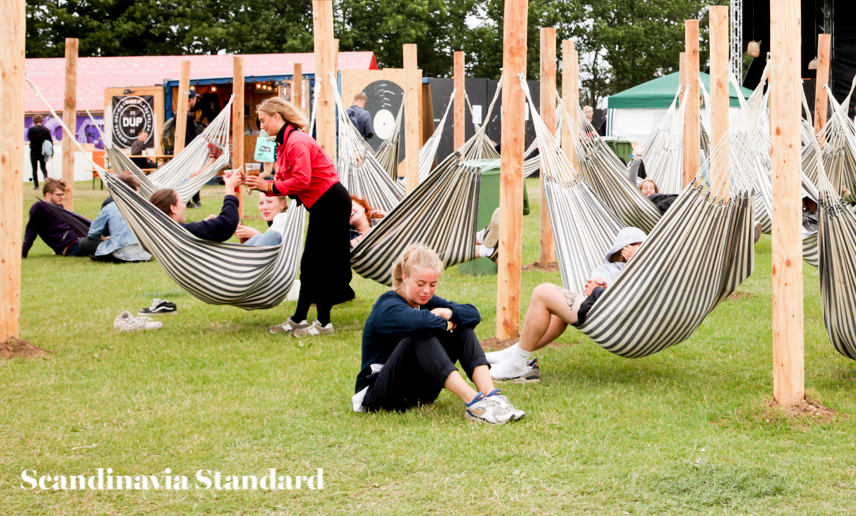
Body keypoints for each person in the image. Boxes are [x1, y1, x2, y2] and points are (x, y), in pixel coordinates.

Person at [352, 245, 524, 423]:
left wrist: (449, 315)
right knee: (419, 335)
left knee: (462, 328)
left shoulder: (426, 301)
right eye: (420, 284)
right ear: (405, 278)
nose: (427, 291)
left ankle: (493, 397)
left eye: (432, 284)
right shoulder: (387, 306)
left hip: (419, 393)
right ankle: (475, 403)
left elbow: (472, 314)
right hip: (379, 395)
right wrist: (447, 323)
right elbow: (421, 323)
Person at [244, 97, 353, 338]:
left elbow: (301, 181)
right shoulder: (284, 143)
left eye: (263, 121)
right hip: (322, 205)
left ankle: (323, 323)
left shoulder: (296, 142)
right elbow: (288, 182)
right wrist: (262, 184)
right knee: (310, 263)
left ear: (277, 117)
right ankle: (299, 318)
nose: (261, 126)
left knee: (320, 264)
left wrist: (269, 187)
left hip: (331, 203)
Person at [487, 227, 648, 381]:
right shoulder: (608, 270)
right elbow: (597, 293)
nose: (634, 252)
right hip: (604, 316)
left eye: (641, 248)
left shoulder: (650, 272)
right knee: (558, 311)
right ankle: (512, 354)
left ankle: (516, 363)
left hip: (629, 322)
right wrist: (599, 287)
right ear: (620, 251)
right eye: (632, 248)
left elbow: (641, 295)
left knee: (542, 292)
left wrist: (639, 262)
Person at [148, 172, 241, 241]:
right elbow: (226, 224)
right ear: (173, 209)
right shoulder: (180, 231)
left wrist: (204, 224)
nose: (185, 206)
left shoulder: (163, 232)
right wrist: (230, 188)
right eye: (182, 202)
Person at [22, 179, 99, 257]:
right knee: (100, 245)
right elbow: (31, 230)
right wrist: (23, 253)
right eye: (58, 195)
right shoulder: (40, 206)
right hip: (72, 245)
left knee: (104, 237)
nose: (62, 197)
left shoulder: (58, 205)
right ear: (48, 194)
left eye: (63, 194)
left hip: (79, 238)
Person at [90, 171, 152, 262]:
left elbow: (93, 232)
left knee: (85, 243)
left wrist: (103, 238)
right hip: (145, 254)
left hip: (121, 253)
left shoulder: (110, 206)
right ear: (136, 189)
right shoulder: (147, 207)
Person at [28, 115, 52, 187]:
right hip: (43, 151)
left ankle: (36, 185)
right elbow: (50, 141)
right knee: (43, 167)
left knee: (34, 169)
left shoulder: (31, 130)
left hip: (34, 151)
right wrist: (51, 152)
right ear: (41, 121)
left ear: (34, 121)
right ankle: (45, 177)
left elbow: (29, 138)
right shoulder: (46, 130)